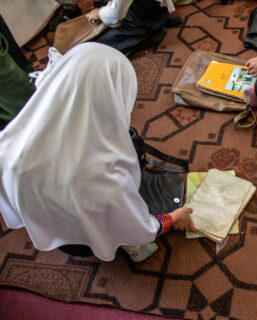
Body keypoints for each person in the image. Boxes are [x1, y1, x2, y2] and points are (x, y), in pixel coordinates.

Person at [0, 42, 195, 262]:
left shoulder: (9, 139)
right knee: (156, 201)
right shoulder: (105, 170)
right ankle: (131, 247)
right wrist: (173, 218)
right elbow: (139, 226)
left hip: (45, 226)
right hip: (81, 243)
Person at [86, 0, 182, 55]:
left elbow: (115, 14)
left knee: (90, 48)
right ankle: (160, 20)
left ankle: (149, 33)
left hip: (143, 17)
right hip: (157, 6)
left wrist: (99, 13)